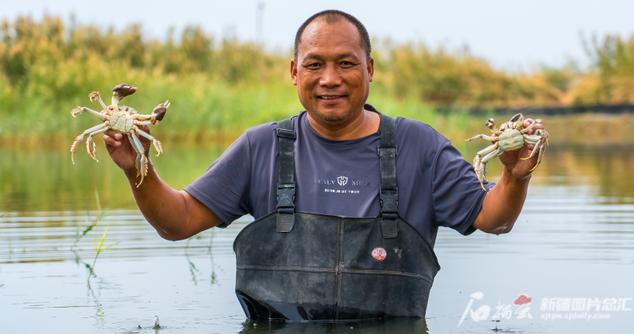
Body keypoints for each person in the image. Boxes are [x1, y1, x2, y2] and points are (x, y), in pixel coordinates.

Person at [103, 10, 545, 321]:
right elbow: (176, 223)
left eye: (346, 63)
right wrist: (136, 168)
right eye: (315, 64)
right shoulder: (260, 148)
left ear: (370, 70)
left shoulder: (420, 146)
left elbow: (493, 219)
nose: (329, 78)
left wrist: (513, 175)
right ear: (295, 72)